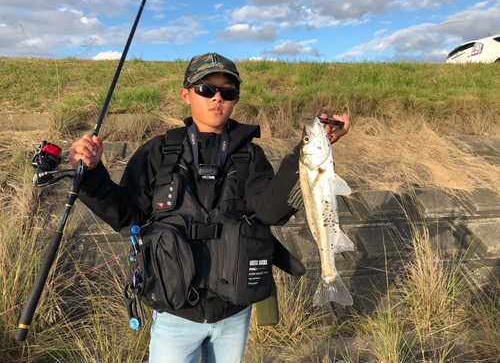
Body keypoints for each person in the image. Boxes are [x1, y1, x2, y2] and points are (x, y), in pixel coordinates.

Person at [69, 53, 350, 363]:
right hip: (175, 313)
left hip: (234, 313)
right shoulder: (158, 151)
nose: (218, 97)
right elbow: (127, 216)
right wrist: (92, 175)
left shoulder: (250, 156)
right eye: (206, 89)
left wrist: (307, 152)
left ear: (236, 99)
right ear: (186, 94)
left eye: (227, 92)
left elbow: (271, 212)